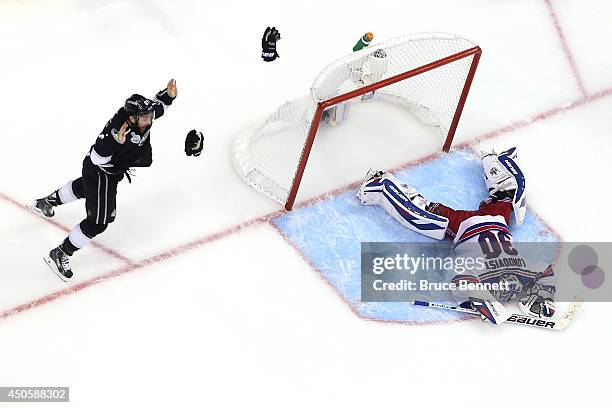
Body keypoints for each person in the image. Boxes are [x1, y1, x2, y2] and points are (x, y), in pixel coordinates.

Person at [356, 148, 556, 321]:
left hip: (495, 221)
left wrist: (543, 295)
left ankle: (496, 162)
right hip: (468, 226)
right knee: (422, 215)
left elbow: (545, 271)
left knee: (504, 197)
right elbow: (461, 284)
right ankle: (380, 185)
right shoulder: (504, 272)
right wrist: (484, 303)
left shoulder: (519, 271)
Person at [30, 79, 201, 281]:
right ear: (131, 118)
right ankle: (61, 253)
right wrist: (114, 143)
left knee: (86, 188)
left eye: (149, 117)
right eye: (144, 118)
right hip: (102, 173)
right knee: (99, 221)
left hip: (107, 173)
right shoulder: (116, 130)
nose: (149, 121)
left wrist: (169, 96)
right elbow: (96, 157)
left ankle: (46, 202)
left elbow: (159, 106)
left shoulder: (143, 118)